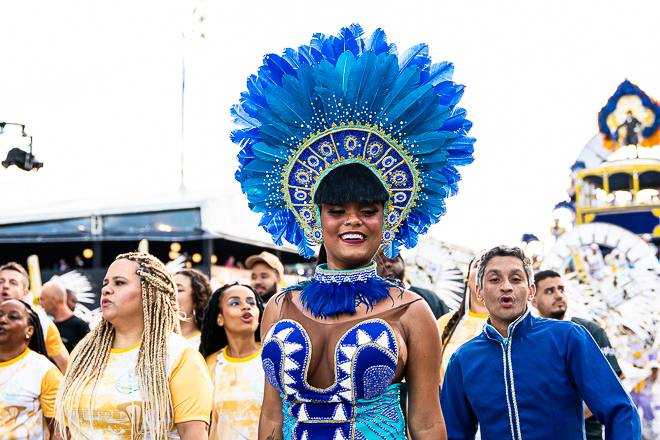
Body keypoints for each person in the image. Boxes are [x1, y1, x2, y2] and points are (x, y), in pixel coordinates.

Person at [231, 24, 477, 440]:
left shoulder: (414, 312)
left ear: (388, 218)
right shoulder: (279, 306)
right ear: (314, 217)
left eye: (367, 210)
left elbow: (428, 421)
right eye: (336, 210)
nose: (352, 221)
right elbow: (272, 417)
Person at [440, 245, 641, 439]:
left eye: (516, 278)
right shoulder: (463, 359)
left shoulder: (568, 338)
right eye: (494, 279)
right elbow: (453, 433)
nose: (506, 286)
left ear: (531, 291)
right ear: (479, 292)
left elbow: (620, 410)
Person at [55, 252, 213, 440]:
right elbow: (63, 430)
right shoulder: (85, 352)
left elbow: (192, 434)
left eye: (119, 282)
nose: (106, 290)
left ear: (151, 292)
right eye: (105, 283)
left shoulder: (179, 355)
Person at [531, 269, 623, 440]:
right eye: (549, 291)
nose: (558, 295)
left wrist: (563, 422)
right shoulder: (529, 338)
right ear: (533, 301)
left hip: (587, 435)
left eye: (561, 289)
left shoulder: (590, 331)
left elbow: (611, 387)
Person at [199, 283, 264, 440]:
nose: (246, 307)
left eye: (251, 302)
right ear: (219, 318)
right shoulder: (207, 365)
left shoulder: (274, 356)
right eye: (235, 302)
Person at [0, 299, 63, 440]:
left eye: (13, 316)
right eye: (0, 315)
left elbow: (60, 431)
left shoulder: (43, 370)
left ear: (29, 331)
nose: (3, 319)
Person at [0, 262, 69, 373]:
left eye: (13, 283)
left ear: (25, 293)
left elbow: (67, 369)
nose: (5, 286)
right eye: (1, 281)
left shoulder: (43, 324)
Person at [437, 251, 488, 383]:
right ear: (467, 278)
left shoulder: (515, 325)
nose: (485, 270)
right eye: (479, 265)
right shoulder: (444, 323)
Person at [377, 253, 451, 319]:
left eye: (393, 260)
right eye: (380, 262)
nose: (387, 264)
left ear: (403, 264)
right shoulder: (369, 300)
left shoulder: (429, 297)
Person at [40, 281, 90, 353]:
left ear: (54, 300)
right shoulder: (49, 325)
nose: (40, 303)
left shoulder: (80, 326)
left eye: (42, 299)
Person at [174, 268, 212, 350]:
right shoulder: (152, 341)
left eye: (178, 290)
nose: (169, 294)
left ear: (197, 300)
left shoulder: (207, 345)